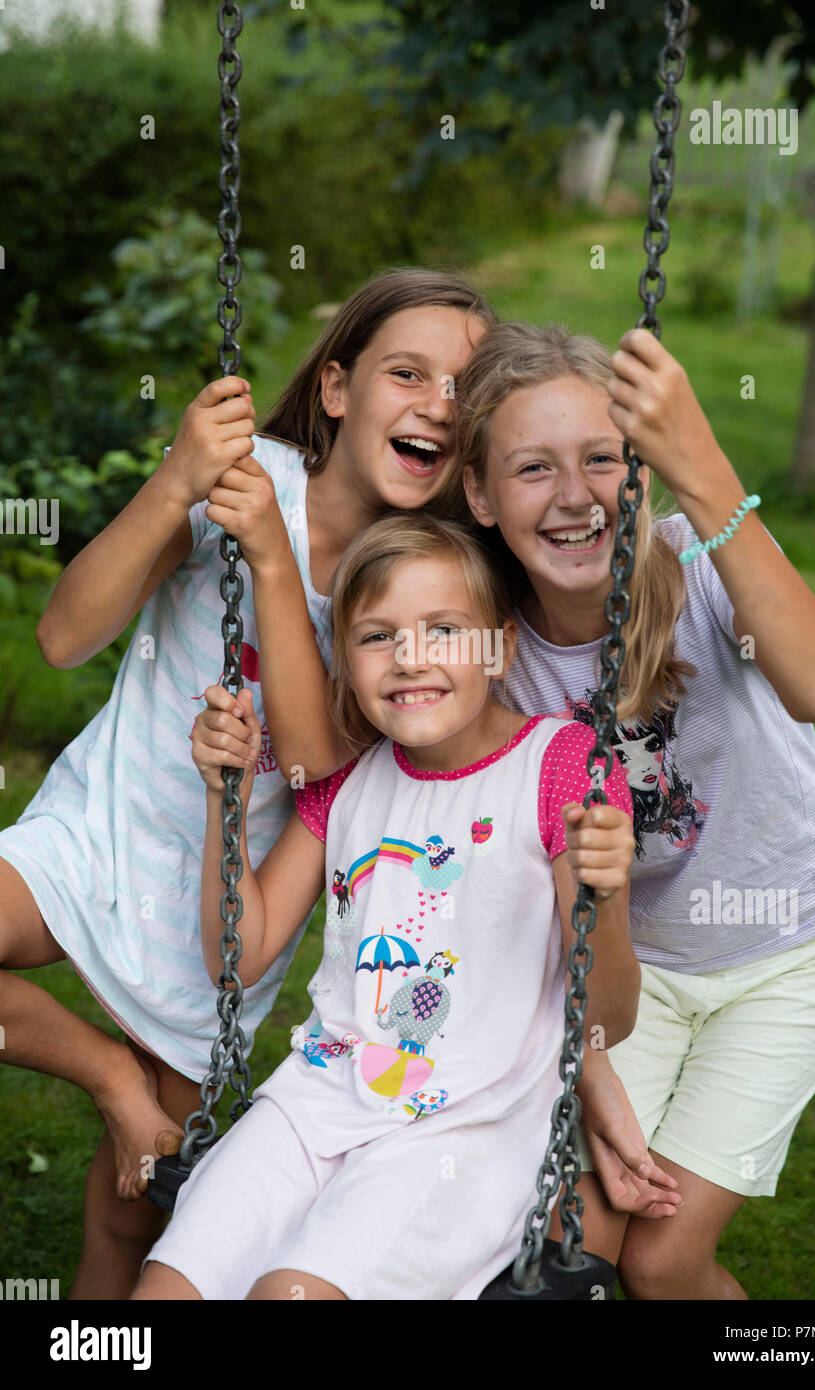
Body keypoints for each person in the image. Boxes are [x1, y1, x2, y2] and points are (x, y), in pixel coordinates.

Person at [0, 267, 496, 1298]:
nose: (436, 405)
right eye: (408, 372)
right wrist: (175, 480)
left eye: (465, 387)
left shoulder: (422, 577)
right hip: (97, 832)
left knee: (130, 1208)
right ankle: (110, 1075)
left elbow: (316, 762)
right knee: (138, 1114)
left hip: (215, 915)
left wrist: (273, 561)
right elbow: (61, 637)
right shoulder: (242, 475)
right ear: (336, 389)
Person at [454, 320, 815, 1298]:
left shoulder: (697, 561)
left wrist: (705, 471)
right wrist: (590, 1062)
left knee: (662, 1259)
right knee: (567, 1248)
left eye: (601, 458)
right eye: (531, 469)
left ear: (640, 464)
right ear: (478, 494)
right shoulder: (488, 652)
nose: (573, 497)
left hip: (793, 944)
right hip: (632, 971)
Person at [130, 513, 639, 1301]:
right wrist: (224, 802)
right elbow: (239, 953)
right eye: (376, 636)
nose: (410, 659)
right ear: (348, 662)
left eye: (444, 630)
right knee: (164, 1291)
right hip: (316, 1101)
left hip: (463, 1131)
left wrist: (604, 898)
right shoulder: (350, 782)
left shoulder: (561, 768)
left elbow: (604, 1015)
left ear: (500, 648)